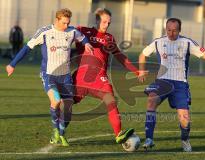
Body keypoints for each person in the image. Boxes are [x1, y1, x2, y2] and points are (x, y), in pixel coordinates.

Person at [138, 18, 205, 152]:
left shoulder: (187, 43)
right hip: (162, 82)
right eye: (169, 30)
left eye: (174, 30)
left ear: (179, 30)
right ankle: (149, 138)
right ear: (166, 29)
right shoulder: (158, 42)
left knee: (185, 120)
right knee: (151, 99)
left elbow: (204, 55)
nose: (171, 33)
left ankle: (185, 140)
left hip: (180, 85)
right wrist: (141, 70)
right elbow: (143, 54)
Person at [6, 8, 93, 146]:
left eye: (68, 23)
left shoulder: (72, 31)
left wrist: (87, 43)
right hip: (49, 75)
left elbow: (83, 38)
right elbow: (27, 48)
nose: (66, 26)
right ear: (57, 20)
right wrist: (12, 64)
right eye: (64, 23)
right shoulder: (45, 32)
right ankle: (55, 131)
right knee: (56, 100)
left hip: (65, 76)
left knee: (68, 107)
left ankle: (62, 133)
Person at [72, 8, 139, 144]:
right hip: (81, 78)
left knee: (111, 100)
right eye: (104, 22)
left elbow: (120, 56)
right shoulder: (82, 31)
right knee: (66, 104)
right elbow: (64, 35)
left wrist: (136, 71)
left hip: (100, 78)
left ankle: (118, 134)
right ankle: (58, 132)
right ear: (97, 20)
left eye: (109, 22)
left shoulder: (109, 38)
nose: (106, 25)